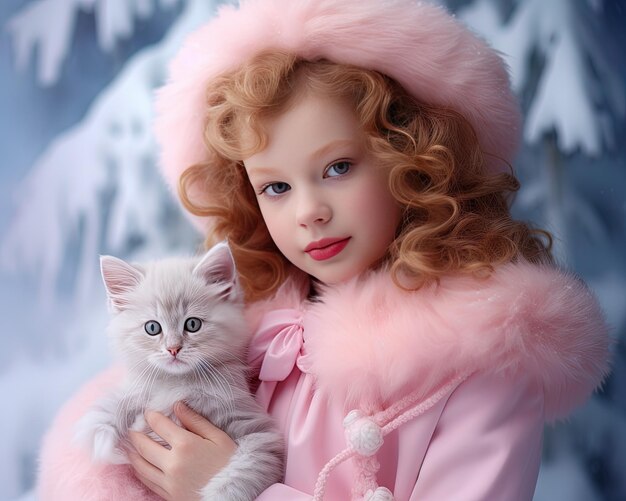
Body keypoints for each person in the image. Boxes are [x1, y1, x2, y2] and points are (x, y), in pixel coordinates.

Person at [37, 0, 610, 500]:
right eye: (276, 187)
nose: (308, 210)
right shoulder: (248, 334)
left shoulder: (482, 360)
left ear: (414, 160)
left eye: (338, 167)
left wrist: (242, 489)